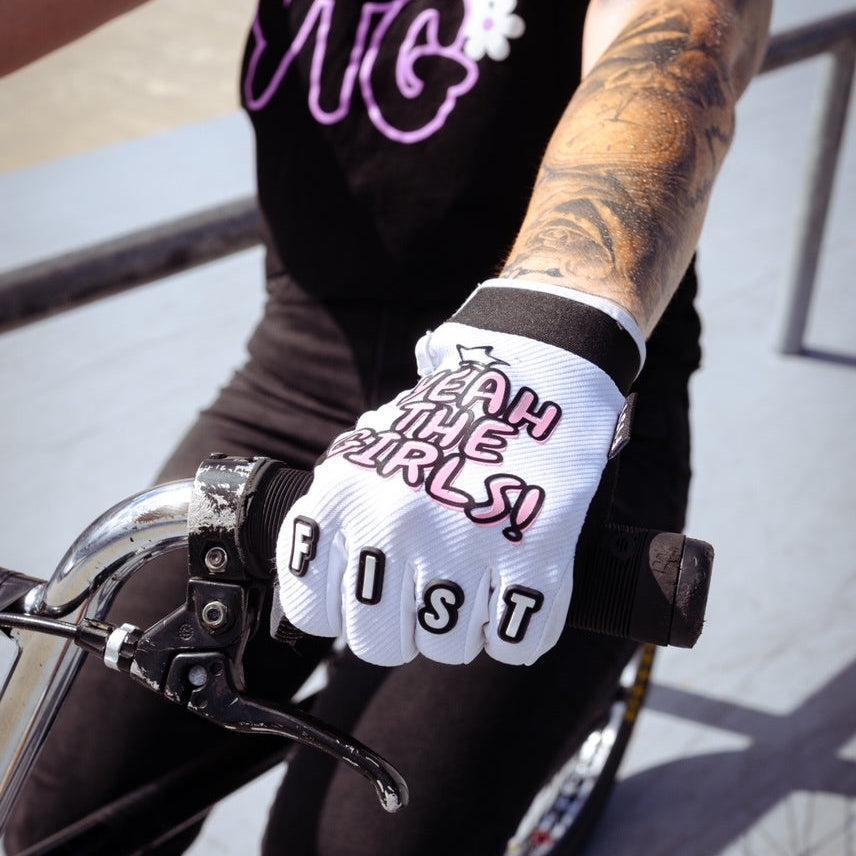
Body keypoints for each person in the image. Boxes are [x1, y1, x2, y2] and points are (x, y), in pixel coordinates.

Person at [2, 0, 771, 853]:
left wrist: (547, 345)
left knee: (357, 845)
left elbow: (678, 46)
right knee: (54, 809)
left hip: (536, 414)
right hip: (296, 374)